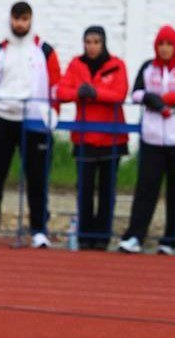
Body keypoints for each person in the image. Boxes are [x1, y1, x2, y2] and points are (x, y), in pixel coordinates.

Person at [118, 25, 175, 255]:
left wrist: (167, 98)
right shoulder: (148, 67)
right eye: (161, 44)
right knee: (146, 188)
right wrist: (149, 97)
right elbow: (135, 93)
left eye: (169, 44)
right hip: (152, 139)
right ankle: (135, 235)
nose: (165, 49)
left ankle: (170, 238)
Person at [0, 1, 60, 248]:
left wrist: (52, 115)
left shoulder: (44, 50)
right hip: (3, 118)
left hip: (33, 120)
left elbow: (55, 85)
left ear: (31, 20)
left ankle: (39, 230)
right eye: (16, 19)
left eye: (24, 19)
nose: (20, 24)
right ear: (10, 20)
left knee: (37, 177)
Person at [57, 26, 128, 251]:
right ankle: (85, 235)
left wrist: (96, 93)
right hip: (84, 137)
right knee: (84, 189)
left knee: (107, 190)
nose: (92, 46)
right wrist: (80, 91)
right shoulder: (76, 64)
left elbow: (120, 93)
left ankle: (102, 237)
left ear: (103, 43)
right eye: (88, 41)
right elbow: (61, 91)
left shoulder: (116, 65)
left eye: (96, 41)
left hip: (111, 138)